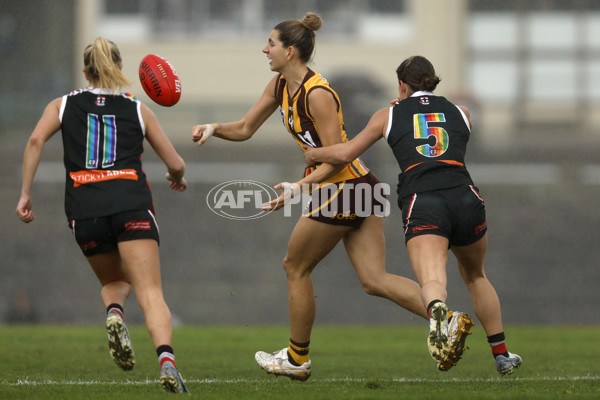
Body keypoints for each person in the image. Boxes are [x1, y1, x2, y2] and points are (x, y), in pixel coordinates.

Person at [192, 13, 472, 379]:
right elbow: (245, 128)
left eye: (271, 44)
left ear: (290, 51)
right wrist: (213, 128)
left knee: (295, 266)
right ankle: (445, 319)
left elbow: (339, 155)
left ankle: (296, 359)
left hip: (344, 187)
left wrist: (298, 187)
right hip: (360, 188)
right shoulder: (279, 86)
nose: (265, 49)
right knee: (374, 280)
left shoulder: (319, 94)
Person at [303, 55, 522, 375]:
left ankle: (437, 314)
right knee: (476, 275)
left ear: (401, 85)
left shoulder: (387, 114)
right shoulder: (462, 112)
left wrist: (315, 153)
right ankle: (502, 355)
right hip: (465, 197)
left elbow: (347, 153)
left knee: (433, 280)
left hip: (424, 201)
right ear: (432, 80)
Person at [16, 37, 190, 393]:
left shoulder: (62, 104)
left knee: (115, 282)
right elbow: (175, 162)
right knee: (150, 291)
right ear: (119, 68)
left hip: (85, 210)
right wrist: (177, 177)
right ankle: (167, 362)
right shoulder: (138, 108)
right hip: (130, 204)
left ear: (85, 71)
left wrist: (25, 194)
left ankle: (114, 313)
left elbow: (35, 142)